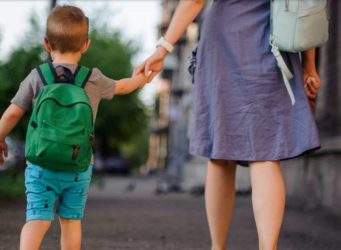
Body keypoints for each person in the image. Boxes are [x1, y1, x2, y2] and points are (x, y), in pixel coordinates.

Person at [134, 0, 321, 249]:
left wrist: (163, 48)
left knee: (220, 153)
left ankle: (217, 247)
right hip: (274, 41)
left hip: (223, 42)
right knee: (265, 153)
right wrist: (309, 63)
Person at [0, 5, 147, 250]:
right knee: (70, 221)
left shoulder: (38, 76)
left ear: (46, 44)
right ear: (86, 45)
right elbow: (123, 86)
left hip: (40, 164)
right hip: (78, 166)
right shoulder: (93, 79)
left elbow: (13, 112)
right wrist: (142, 77)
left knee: (37, 219)